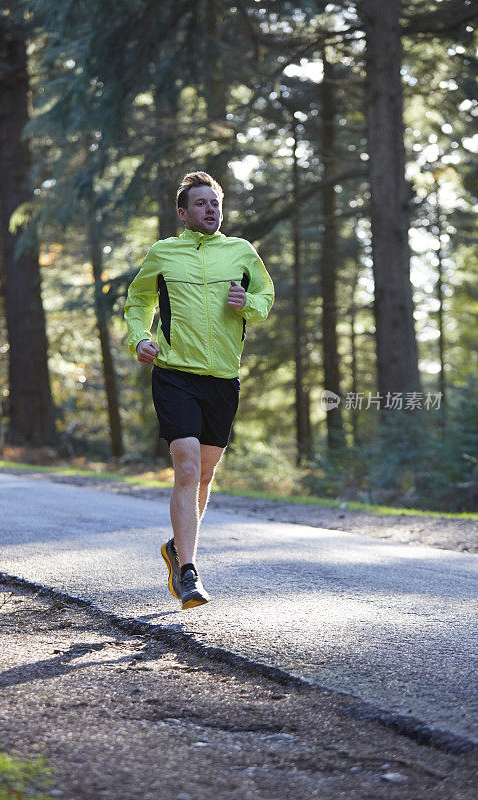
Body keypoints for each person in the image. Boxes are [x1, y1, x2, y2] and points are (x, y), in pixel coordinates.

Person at [124, 171, 274, 610]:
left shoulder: (241, 252)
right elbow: (138, 301)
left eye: (215, 202)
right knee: (186, 467)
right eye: (201, 203)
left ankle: (176, 547)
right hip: (174, 373)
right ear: (183, 213)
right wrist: (140, 338)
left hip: (223, 378)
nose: (210, 209)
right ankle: (188, 572)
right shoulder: (164, 253)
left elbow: (265, 297)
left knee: (205, 474)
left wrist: (248, 303)